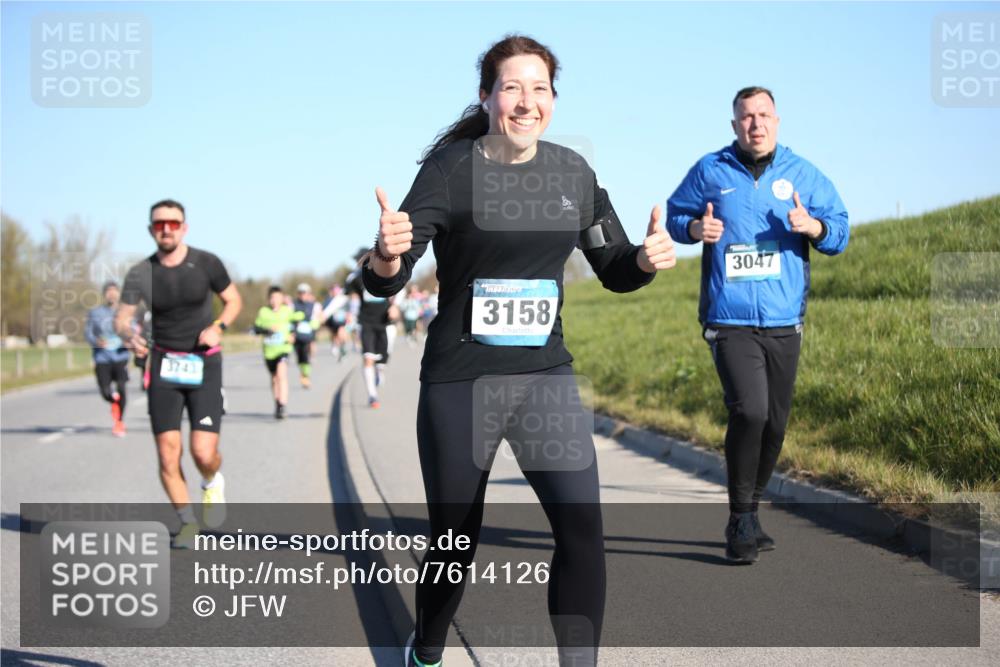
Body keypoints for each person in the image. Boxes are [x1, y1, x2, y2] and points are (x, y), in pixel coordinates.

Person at [362, 35, 675, 667]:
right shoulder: (452, 169)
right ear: (486, 98)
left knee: (582, 530)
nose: (526, 101)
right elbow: (387, 279)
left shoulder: (572, 172)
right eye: (512, 87)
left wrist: (643, 258)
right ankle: (426, 646)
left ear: (553, 100)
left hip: (543, 378)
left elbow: (612, 265)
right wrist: (387, 254)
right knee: (455, 541)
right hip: (461, 381)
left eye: (540, 88)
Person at [666, 86, 849, 564]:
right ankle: (740, 519)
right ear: (734, 125)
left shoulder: (802, 173)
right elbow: (673, 215)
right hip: (729, 318)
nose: (755, 124)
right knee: (749, 411)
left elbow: (839, 227)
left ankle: (750, 511)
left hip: (785, 318)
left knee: (775, 424)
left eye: (763, 115)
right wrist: (692, 230)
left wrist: (816, 229)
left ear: (777, 120)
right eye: (746, 117)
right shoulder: (711, 170)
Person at [116, 199, 243, 549]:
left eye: (173, 223)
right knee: (168, 453)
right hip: (162, 366)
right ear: (151, 230)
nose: (167, 229)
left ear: (184, 227)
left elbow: (234, 301)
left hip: (204, 363)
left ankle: (212, 479)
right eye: (159, 224)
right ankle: (187, 522)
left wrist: (218, 326)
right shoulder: (141, 272)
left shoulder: (206, 262)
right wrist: (130, 337)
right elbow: (121, 319)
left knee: (202, 452)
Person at [346, 248, 393, 408]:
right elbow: (347, 298)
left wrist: (395, 306)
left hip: (383, 322)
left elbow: (401, 288)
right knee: (367, 358)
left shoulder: (384, 273)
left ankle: (380, 371)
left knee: (382, 360)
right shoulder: (355, 279)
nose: (360, 264)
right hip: (365, 322)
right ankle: (372, 396)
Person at [85, 281, 131, 437]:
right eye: (108, 291)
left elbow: (136, 329)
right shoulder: (95, 313)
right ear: (104, 294)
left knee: (122, 387)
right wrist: (96, 342)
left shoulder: (126, 311)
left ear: (119, 294)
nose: (111, 294)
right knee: (105, 391)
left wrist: (129, 339)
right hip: (102, 357)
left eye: (114, 291)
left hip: (121, 355)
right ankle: (113, 401)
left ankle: (119, 422)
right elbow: (88, 333)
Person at [254, 285, 300, 419]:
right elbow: (256, 328)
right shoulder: (263, 312)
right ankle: (277, 403)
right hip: (269, 350)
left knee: (281, 375)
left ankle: (283, 405)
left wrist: (293, 334)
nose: (275, 301)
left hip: (283, 349)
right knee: (274, 378)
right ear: (269, 299)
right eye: (272, 298)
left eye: (278, 298)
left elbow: (295, 322)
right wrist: (268, 330)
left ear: (282, 298)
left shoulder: (287, 310)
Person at [291, 283, 322, 388]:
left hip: (308, 335)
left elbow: (318, 318)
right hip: (297, 336)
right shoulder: (293, 304)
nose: (303, 295)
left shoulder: (314, 305)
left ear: (309, 294)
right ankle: (303, 373)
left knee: (306, 356)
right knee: (299, 358)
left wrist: (314, 323)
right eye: (300, 293)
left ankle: (306, 376)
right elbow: (289, 317)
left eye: (305, 293)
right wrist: (295, 319)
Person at [322, 284, 350, 360]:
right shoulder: (328, 300)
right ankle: (336, 345)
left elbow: (348, 308)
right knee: (334, 335)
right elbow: (324, 310)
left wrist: (348, 315)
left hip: (342, 320)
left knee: (341, 333)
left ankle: (342, 346)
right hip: (332, 321)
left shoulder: (343, 299)